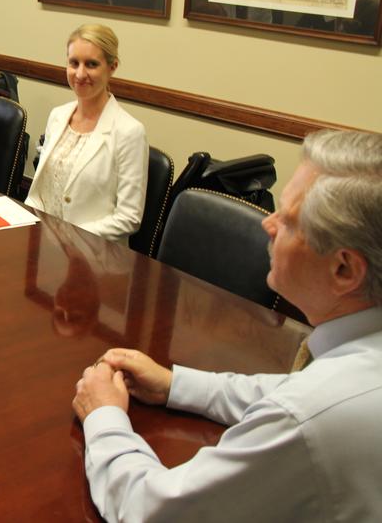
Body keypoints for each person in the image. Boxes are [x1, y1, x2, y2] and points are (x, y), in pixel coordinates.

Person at [72, 129, 382, 522]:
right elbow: (287, 390)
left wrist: (103, 416)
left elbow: (151, 510)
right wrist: (174, 385)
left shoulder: (309, 416)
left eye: (287, 221)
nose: (267, 225)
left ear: (344, 268)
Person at [25, 25, 147, 243]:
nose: (80, 74)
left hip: (95, 256)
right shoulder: (58, 116)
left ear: (112, 67)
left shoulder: (130, 132)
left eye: (91, 64)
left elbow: (129, 218)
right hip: (43, 244)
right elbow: (42, 190)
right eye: (74, 63)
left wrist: (68, 237)